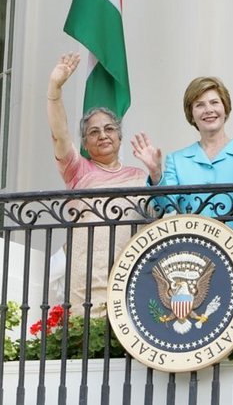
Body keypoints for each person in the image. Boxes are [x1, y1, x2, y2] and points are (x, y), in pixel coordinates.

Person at [47, 53, 147, 316]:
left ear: (119, 136)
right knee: (86, 345)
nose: (103, 135)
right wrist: (54, 90)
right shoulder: (78, 170)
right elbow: (60, 134)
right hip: (86, 276)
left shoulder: (139, 175)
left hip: (131, 275)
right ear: (85, 143)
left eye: (109, 128)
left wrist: (157, 174)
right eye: (94, 132)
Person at [131, 76, 233, 235]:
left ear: (225, 108)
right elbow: (165, 206)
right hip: (189, 251)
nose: (208, 110)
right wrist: (155, 173)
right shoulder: (176, 160)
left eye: (214, 102)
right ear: (191, 114)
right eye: (199, 105)